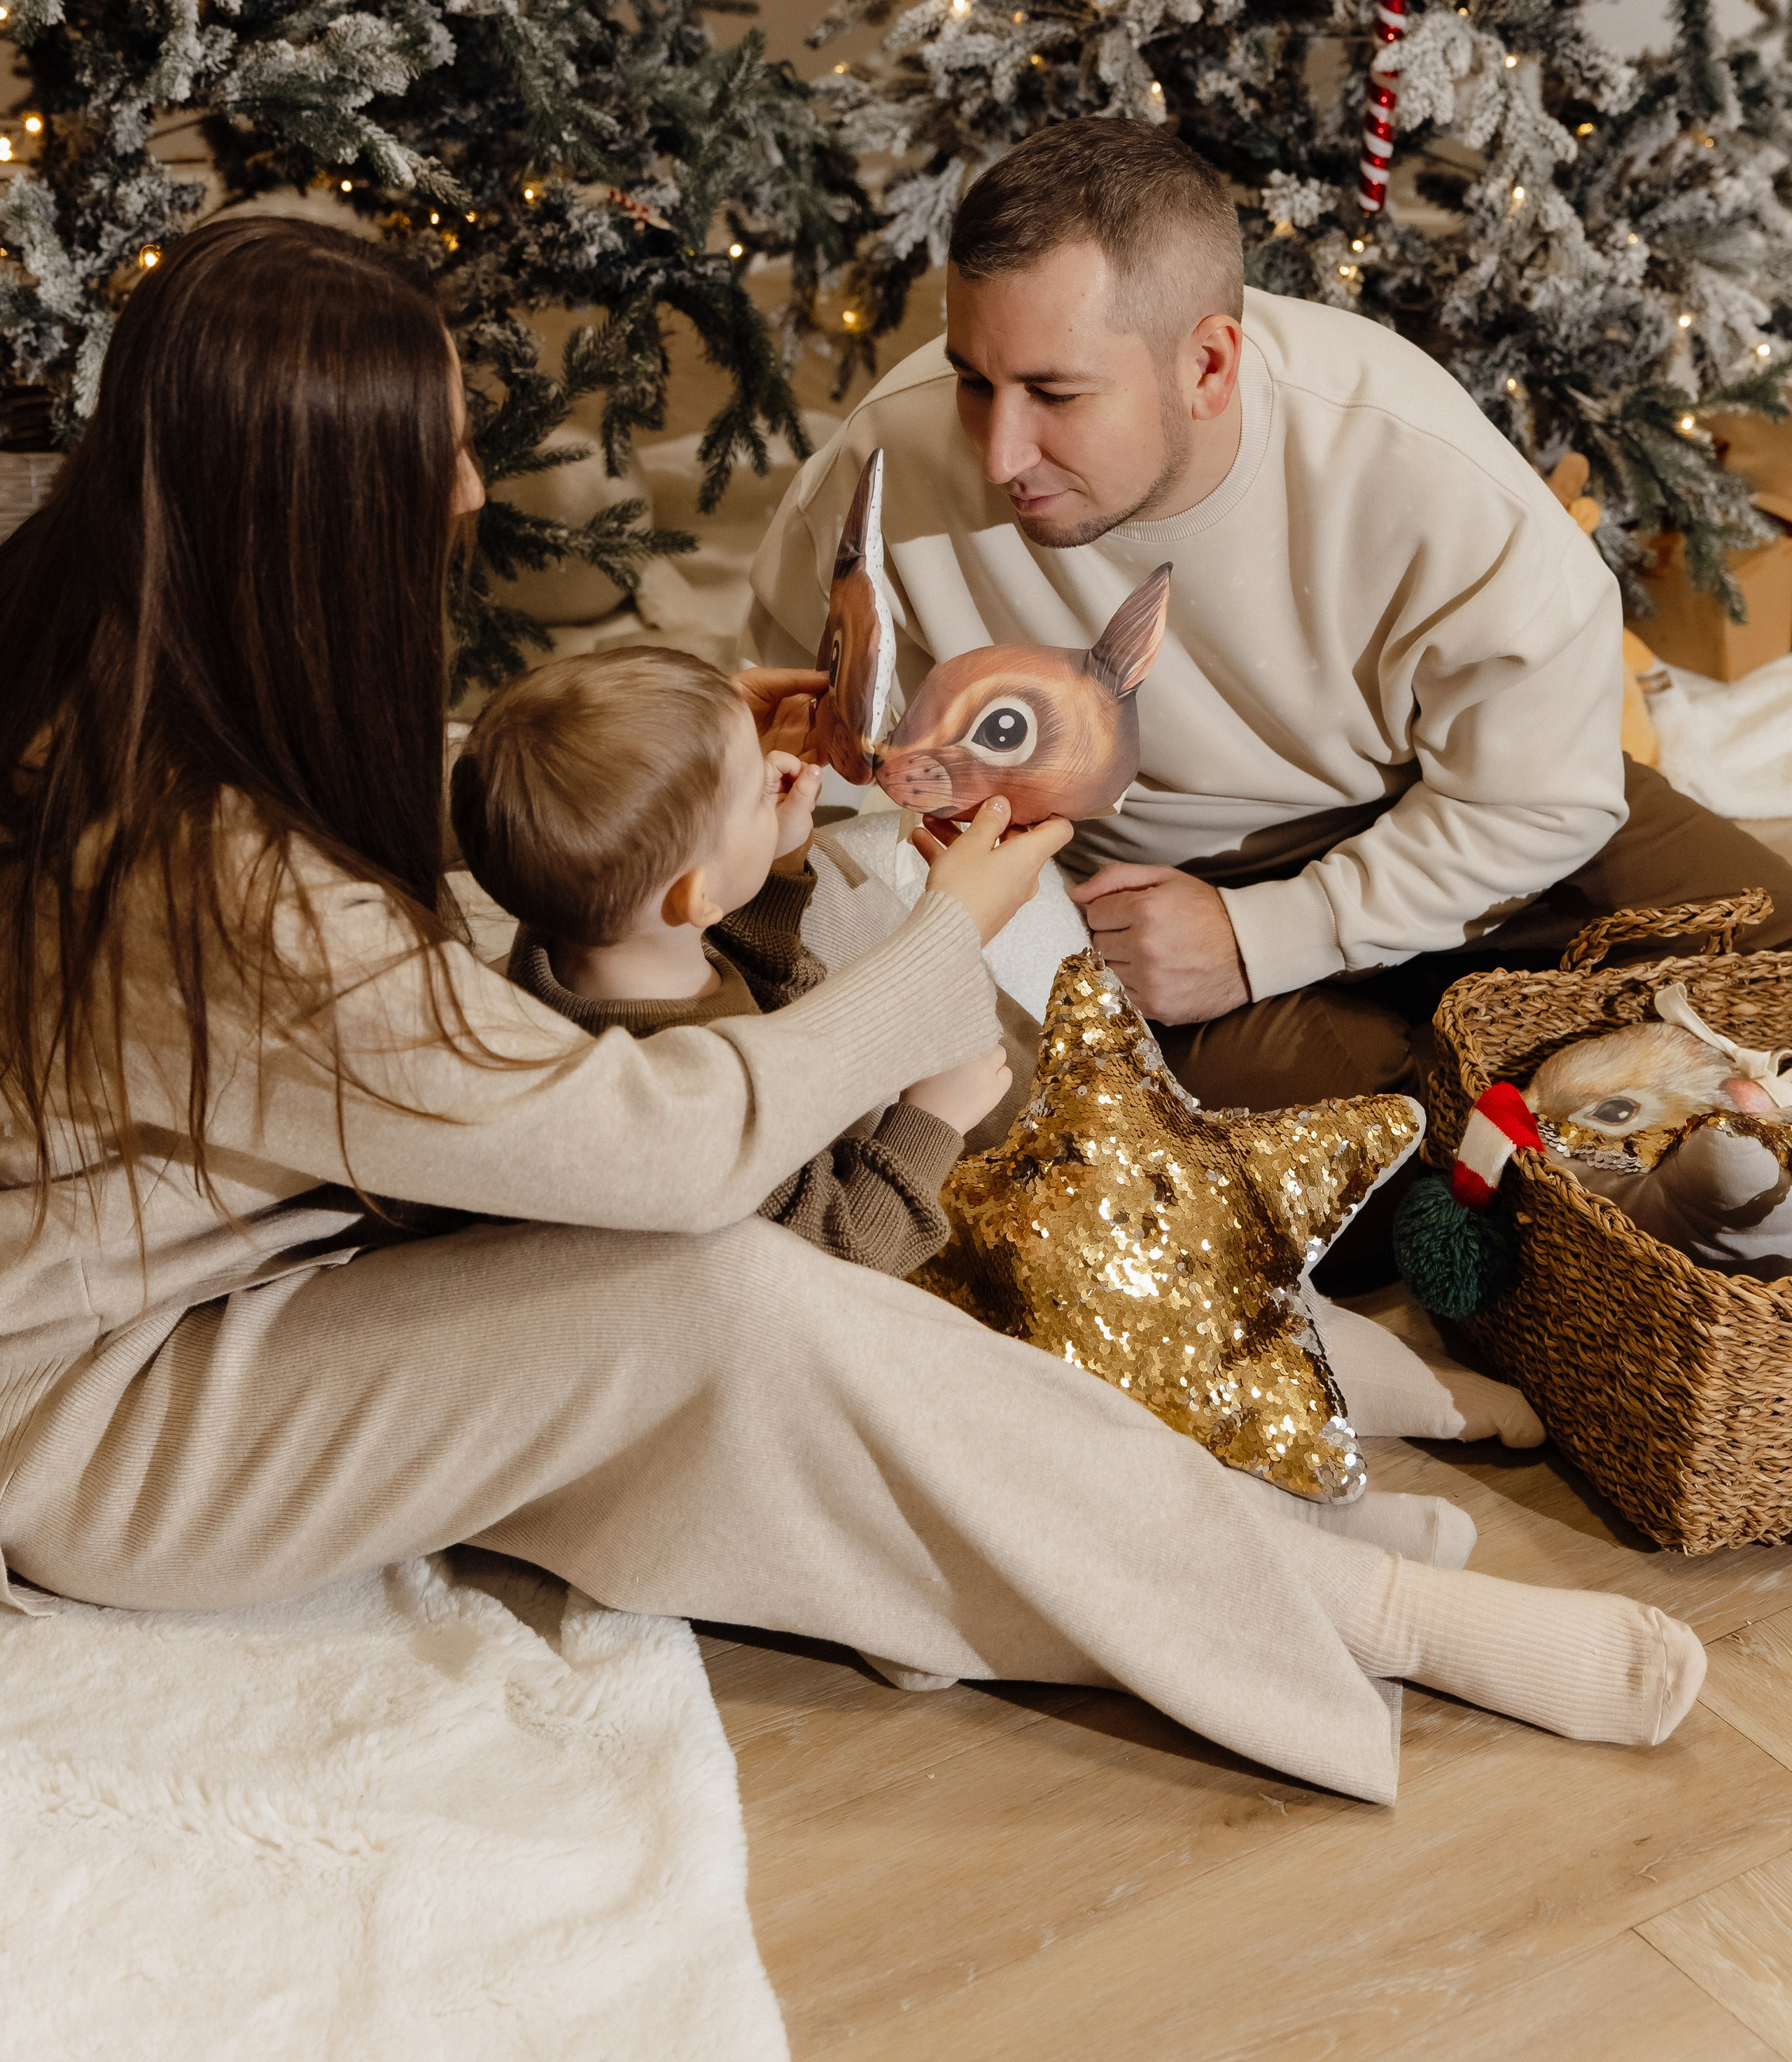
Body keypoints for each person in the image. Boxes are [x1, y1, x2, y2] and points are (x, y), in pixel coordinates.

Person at [0, 214, 1706, 1804]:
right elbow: (661, 1146)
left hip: (249, 1288)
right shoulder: (208, 884)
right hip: (129, 1419)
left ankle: (1202, 1516)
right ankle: (1367, 1610)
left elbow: (385, 893)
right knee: (732, 1298)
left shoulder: (119, 632)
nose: (464, 485)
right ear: (314, 519)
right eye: (429, 455)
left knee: (783, 1380)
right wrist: (941, 946)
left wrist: (666, 775)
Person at [748, 118, 1792, 1284]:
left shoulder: (1413, 468)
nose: (999, 452)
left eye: (1055, 393)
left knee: (1770, 948)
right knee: (1310, 1185)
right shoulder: (888, 464)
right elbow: (802, 716)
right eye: (974, 382)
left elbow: (1544, 799)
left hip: (1442, 816)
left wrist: (1269, 940)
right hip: (1146, 898)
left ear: (1208, 365)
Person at [450, 646, 1009, 1275]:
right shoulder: (689, 1122)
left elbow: (737, 968)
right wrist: (929, 1119)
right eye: (752, 792)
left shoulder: (577, 939)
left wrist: (774, 861)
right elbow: (839, 1251)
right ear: (698, 895)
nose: (778, 763)